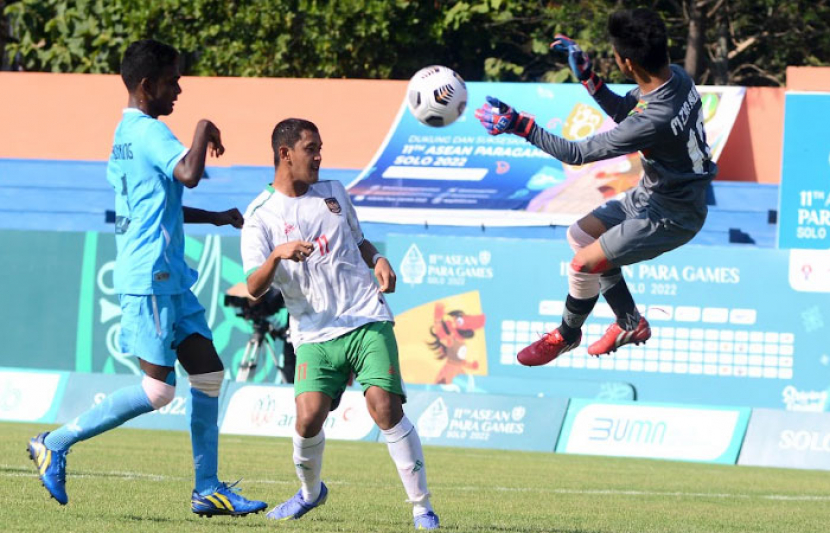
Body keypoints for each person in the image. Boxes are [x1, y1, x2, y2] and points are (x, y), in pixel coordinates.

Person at [27, 39, 267, 517]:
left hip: (170, 278)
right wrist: (202, 128)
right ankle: (54, 441)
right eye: (172, 80)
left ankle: (208, 488)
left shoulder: (124, 134)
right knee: (159, 390)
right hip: (150, 279)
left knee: (209, 375)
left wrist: (215, 218)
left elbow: (155, 206)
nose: (179, 89)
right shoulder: (151, 132)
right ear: (146, 86)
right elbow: (190, 172)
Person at [475, 8, 717, 366]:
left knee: (582, 264)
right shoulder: (677, 78)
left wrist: (522, 126)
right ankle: (631, 322)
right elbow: (627, 111)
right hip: (654, 194)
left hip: (673, 215)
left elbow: (574, 153)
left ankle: (566, 334)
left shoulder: (654, 119)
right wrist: (590, 80)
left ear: (627, 63)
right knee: (580, 235)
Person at [241, 118, 440, 530]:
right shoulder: (260, 216)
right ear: (285, 154)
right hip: (313, 332)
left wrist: (378, 259)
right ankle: (311, 494)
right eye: (310, 148)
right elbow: (254, 287)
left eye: (320, 148)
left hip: (365, 315)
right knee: (308, 418)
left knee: (384, 407)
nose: (318, 156)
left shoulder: (333, 193)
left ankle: (422, 508)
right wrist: (277, 254)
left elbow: (359, 239)